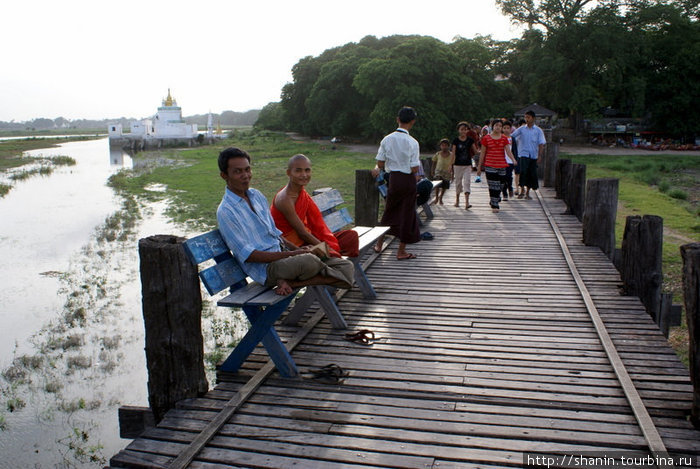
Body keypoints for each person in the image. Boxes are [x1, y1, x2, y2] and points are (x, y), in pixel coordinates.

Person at [216, 147, 354, 295]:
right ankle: (298, 275)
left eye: (247, 170)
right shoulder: (226, 211)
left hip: (285, 256)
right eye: (238, 171)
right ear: (224, 175)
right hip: (266, 269)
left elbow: (276, 234)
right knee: (311, 261)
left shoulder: (256, 195)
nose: (245, 175)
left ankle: (293, 282)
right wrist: (295, 255)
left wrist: (297, 250)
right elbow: (250, 256)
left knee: (346, 266)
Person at [270, 154, 359, 258]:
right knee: (333, 254)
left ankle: (333, 256)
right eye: (298, 171)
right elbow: (302, 233)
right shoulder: (284, 199)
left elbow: (315, 224)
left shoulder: (301, 193)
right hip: (296, 246)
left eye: (307, 170)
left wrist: (326, 246)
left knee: (351, 236)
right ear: (289, 173)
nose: (304, 174)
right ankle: (333, 258)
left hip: (308, 238)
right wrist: (326, 248)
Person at [372, 106, 421, 260]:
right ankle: (401, 251)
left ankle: (379, 244)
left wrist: (377, 168)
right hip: (407, 181)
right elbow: (414, 167)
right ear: (412, 122)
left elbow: (380, 163)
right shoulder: (413, 142)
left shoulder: (387, 139)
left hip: (393, 179)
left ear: (397, 119)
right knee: (408, 215)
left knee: (389, 211)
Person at [477, 120, 515, 213]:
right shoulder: (486, 138)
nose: (498, 127)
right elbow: (483, 153)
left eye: (500, 126)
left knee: (501, 184)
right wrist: (479, 166)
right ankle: (495, 205)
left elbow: (508, 151)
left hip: (502, 165)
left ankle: (495, 198)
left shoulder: (504, 138)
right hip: (490, 165)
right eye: (496, 125)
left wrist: (513, 159)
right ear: (492, 126)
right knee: (493, 185)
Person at [511, 110, 546, 200]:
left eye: (528, 117)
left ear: (533, 118)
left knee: (531, 173)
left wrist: (540, 155)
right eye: (525, 117)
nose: (526, 119)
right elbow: (512, 136)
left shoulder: (538, 131)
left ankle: (528, 192)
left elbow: (541, 143)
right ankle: (522, 189)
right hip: (523, 154)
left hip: (533, 155)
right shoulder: (521, 129)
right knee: (523, 172)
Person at [451, 121, 478, 209]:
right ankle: (457, 200)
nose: (463, 131)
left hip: (467, 164)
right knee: (458, 183)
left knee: (467, 182)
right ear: (458, 130)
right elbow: (453, 153)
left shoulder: (470, 140)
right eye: (462, 129)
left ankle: (467, 202)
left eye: (465, 130)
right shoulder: (455, 140)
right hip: (457, 164)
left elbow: (475, 151)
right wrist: (450, 165)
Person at [430, 138, 453, 205]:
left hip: (447, 173)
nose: (444, 147)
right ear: (440, 146)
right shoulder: (438, 154)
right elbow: (434, 162)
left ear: (448, 146)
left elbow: (452, 164)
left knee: (444, 186)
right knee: (437, 185)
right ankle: (437, 197)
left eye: (445, 145)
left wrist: (453, 174)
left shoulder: (451, 155)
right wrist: (432, 170)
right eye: (442, 145)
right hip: (438, 172)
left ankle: (441, 197)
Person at [501, 120, 516, 200]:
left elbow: (514, 150)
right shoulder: (500, 138)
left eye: (508, 128)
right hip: (502, 161)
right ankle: (504, 193)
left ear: (511, 129)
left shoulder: (512, 139)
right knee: (502, 178)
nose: (506, 130)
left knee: (509, 176)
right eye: (504, 128)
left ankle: (510, 187)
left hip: (510, 161)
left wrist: (515, 159)